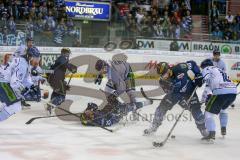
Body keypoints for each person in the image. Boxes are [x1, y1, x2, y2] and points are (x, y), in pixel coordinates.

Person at [144, 60, 208, 137]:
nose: (164, 76)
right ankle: (154, 126)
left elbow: (193, 64)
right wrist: (181, 101)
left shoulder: (179, 67)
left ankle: (203, 130)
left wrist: (198, 75)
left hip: (189, 92)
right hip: (175, 95)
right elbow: (169, 92)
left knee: (196, 110)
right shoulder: (162, 81)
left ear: (169, 69)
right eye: (162, 75)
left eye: (165, 74)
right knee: (161, 107)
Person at [0, 46, 40, 121]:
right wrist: (25, 92)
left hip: (3, 82)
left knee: (10, 104)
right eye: (35, 58)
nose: (37, 61)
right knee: (15, 106)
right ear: (30, 57)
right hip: (3, 83)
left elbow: (25, 79)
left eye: (38, 58)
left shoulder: (24, 62)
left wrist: (32, 87)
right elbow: (15, 83)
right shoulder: (22, 64)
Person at [200, 59, 237, 141]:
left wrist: (198, 81)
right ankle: (223, 128)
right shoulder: (219, 70)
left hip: (220, 92)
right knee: (223, 109)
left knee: (208, 113)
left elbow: (204, 81)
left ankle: (211, 133)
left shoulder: (207, 69)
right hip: (233, 91)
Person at [94, 53, 137, 119]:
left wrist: (115, 95)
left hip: (127, 75)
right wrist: (100, 76)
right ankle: (117, 107)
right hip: (119, 74)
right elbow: (105, 68)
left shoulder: (113, 74)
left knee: (131, 93)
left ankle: (135, 111)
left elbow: (122, 88)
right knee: (108, 92)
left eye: (101, 71)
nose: (101, 72)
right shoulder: (105, 64)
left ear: (104, 68)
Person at [80, 94, 153, 127]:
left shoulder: (87, 116)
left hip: (106, 110)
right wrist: (117, 114)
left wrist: (90, 108)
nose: (87, 111)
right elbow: (111, 121)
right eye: (87, 112)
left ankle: (120, 104)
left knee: (111, 97)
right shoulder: (99, 121)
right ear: (90, 116)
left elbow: (90, 108)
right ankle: (146, 103)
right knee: (129, 107)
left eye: (86, 111)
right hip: (115, 114)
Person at [46, 48, 77, 115]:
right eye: (68, 53)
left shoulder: (61, 58)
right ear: (64, 53)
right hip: (56, 80)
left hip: (55, 79)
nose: (68, 55)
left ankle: (51, 104)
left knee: (57, 93)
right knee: (62, 96)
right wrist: (72, 68)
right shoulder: (62, 58)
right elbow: (65, 64)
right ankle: (51, 105)